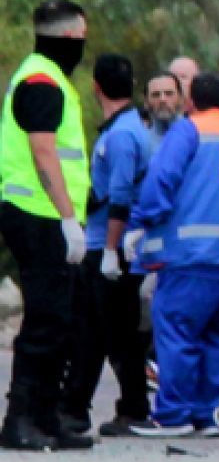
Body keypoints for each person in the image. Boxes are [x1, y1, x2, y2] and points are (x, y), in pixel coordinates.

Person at [124, 74, 219, 436]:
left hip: (189, 255)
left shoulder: (188, 131)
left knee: (177, 334)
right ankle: (203, 414)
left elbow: (160, 180)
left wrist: (141, 223)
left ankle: (173, 415)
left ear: (190, 101)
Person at [1, 0, 94, 451]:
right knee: (45, 319)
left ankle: (45, 417)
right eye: (80, 37)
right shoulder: (41, 80)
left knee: (61, 318)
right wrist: (69, 219)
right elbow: (44, 153)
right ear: (69, 38)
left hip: (44, 214)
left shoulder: (47, 75)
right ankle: (21, 419)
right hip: (39, 214)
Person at [68, 55, 156, 437]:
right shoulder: (135, 127)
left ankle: (74, 408)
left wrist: (108, 250)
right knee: (119, 334)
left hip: (108, 244)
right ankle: (132, 406)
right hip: (120, 244)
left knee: (92, 331)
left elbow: (118, 195)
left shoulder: (120, 135)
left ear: (96, 87)